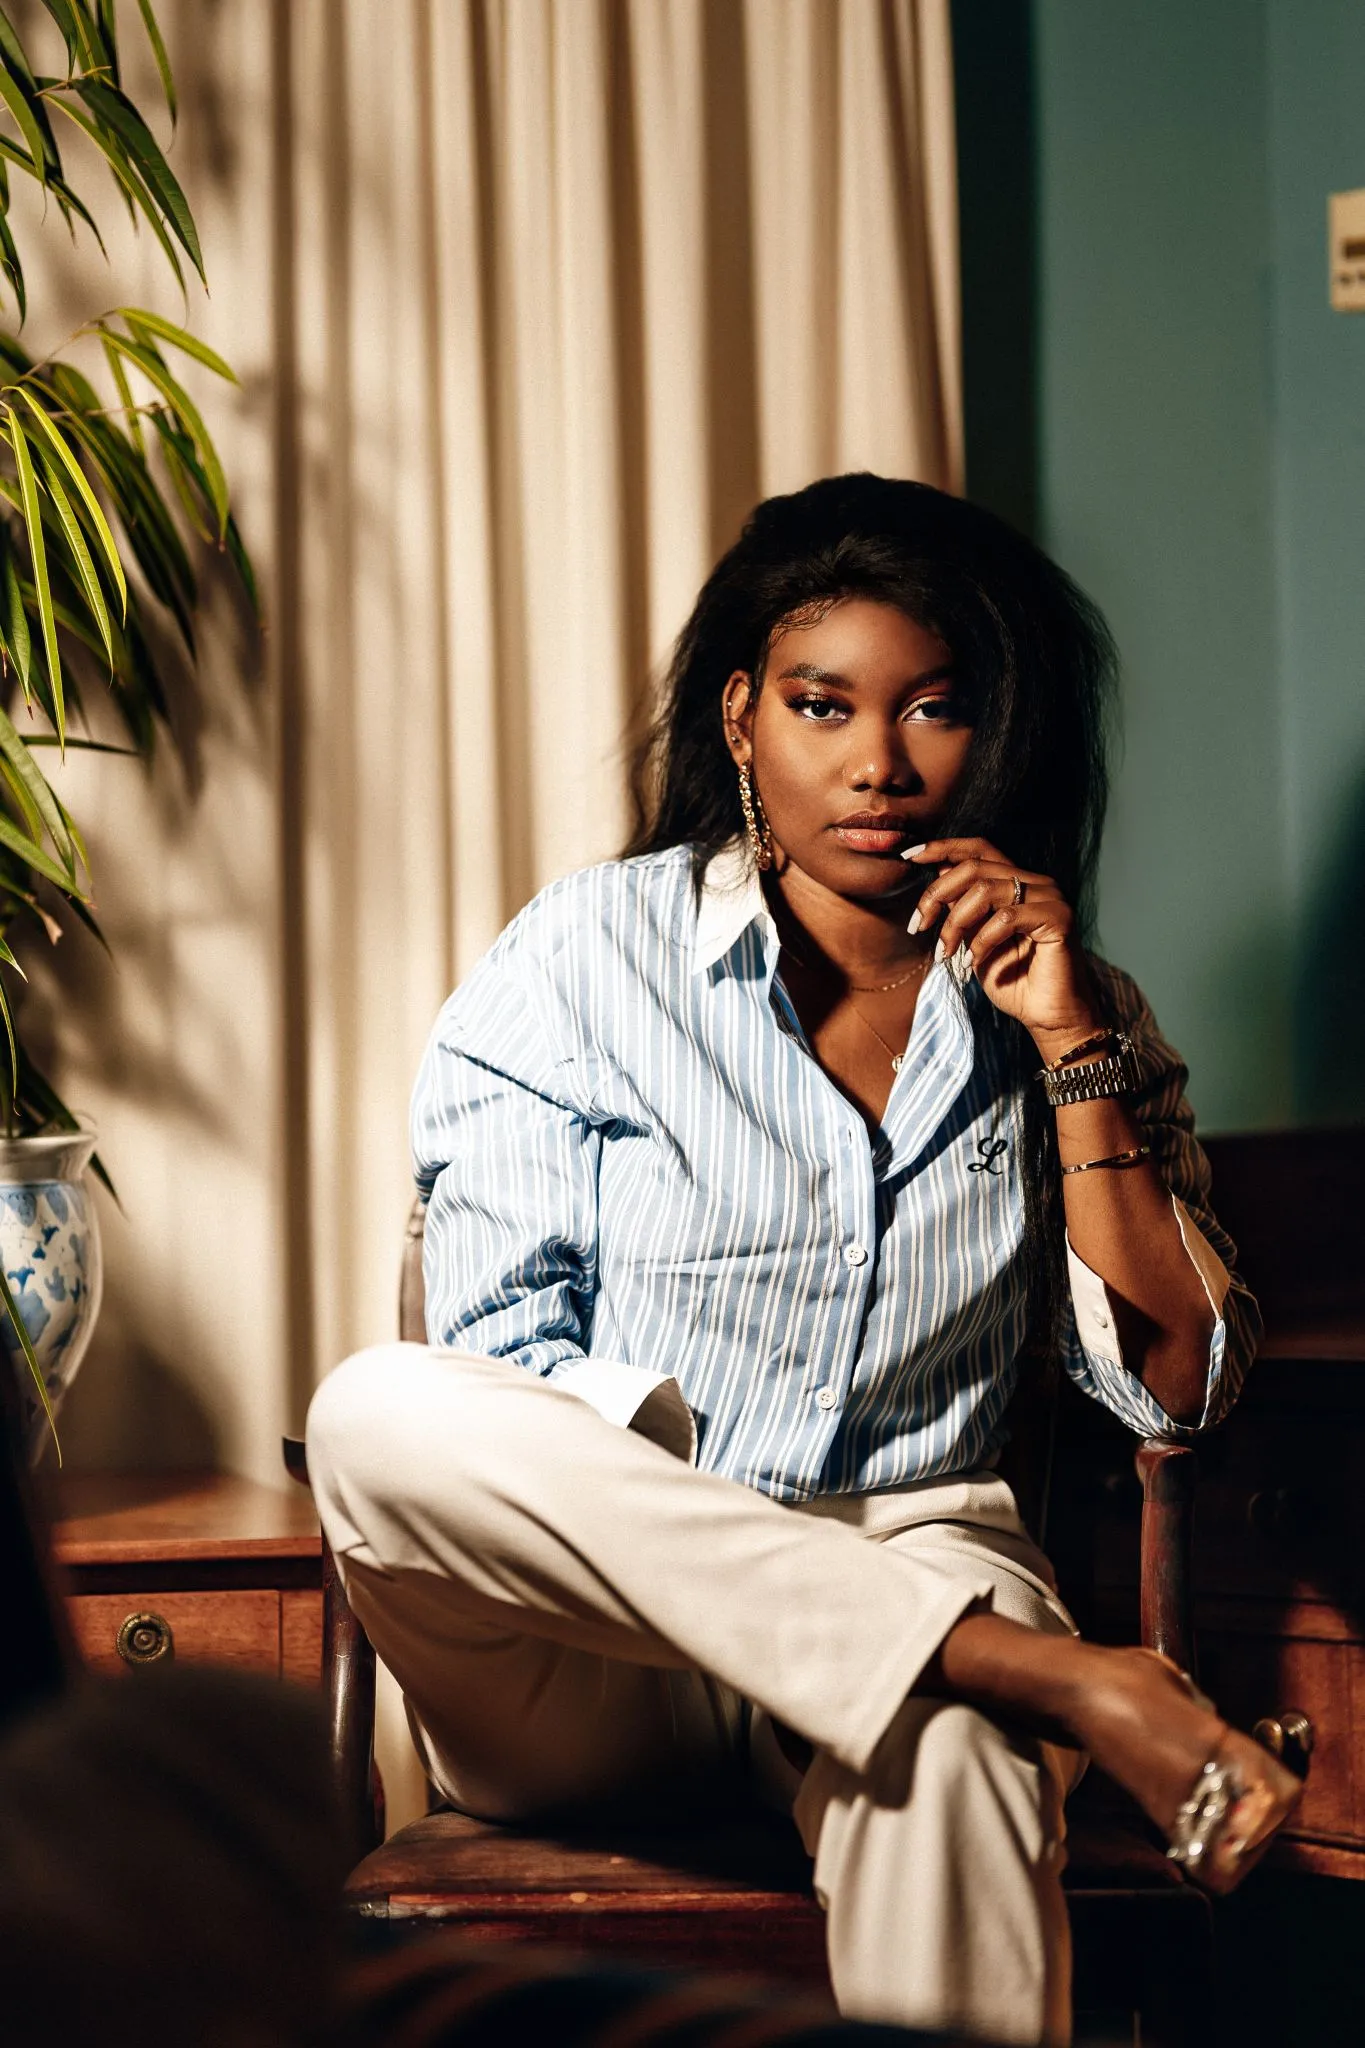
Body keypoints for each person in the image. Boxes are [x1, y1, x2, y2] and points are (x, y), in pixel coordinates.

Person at [306, 474, 1300, 2046]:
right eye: (823, 705)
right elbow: (505, 1367)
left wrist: (1070, 1052)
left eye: (934, 709)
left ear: (998, 731)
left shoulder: (1070, 1002)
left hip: (925, 1539)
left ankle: (996, 1681)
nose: (877, 765)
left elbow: (1181, 1393)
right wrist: (988, 1651)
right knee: (379, 1410)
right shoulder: (581, 957)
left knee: (958, 1761)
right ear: (742, 718)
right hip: (600, 1648)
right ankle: (1060, 1680)